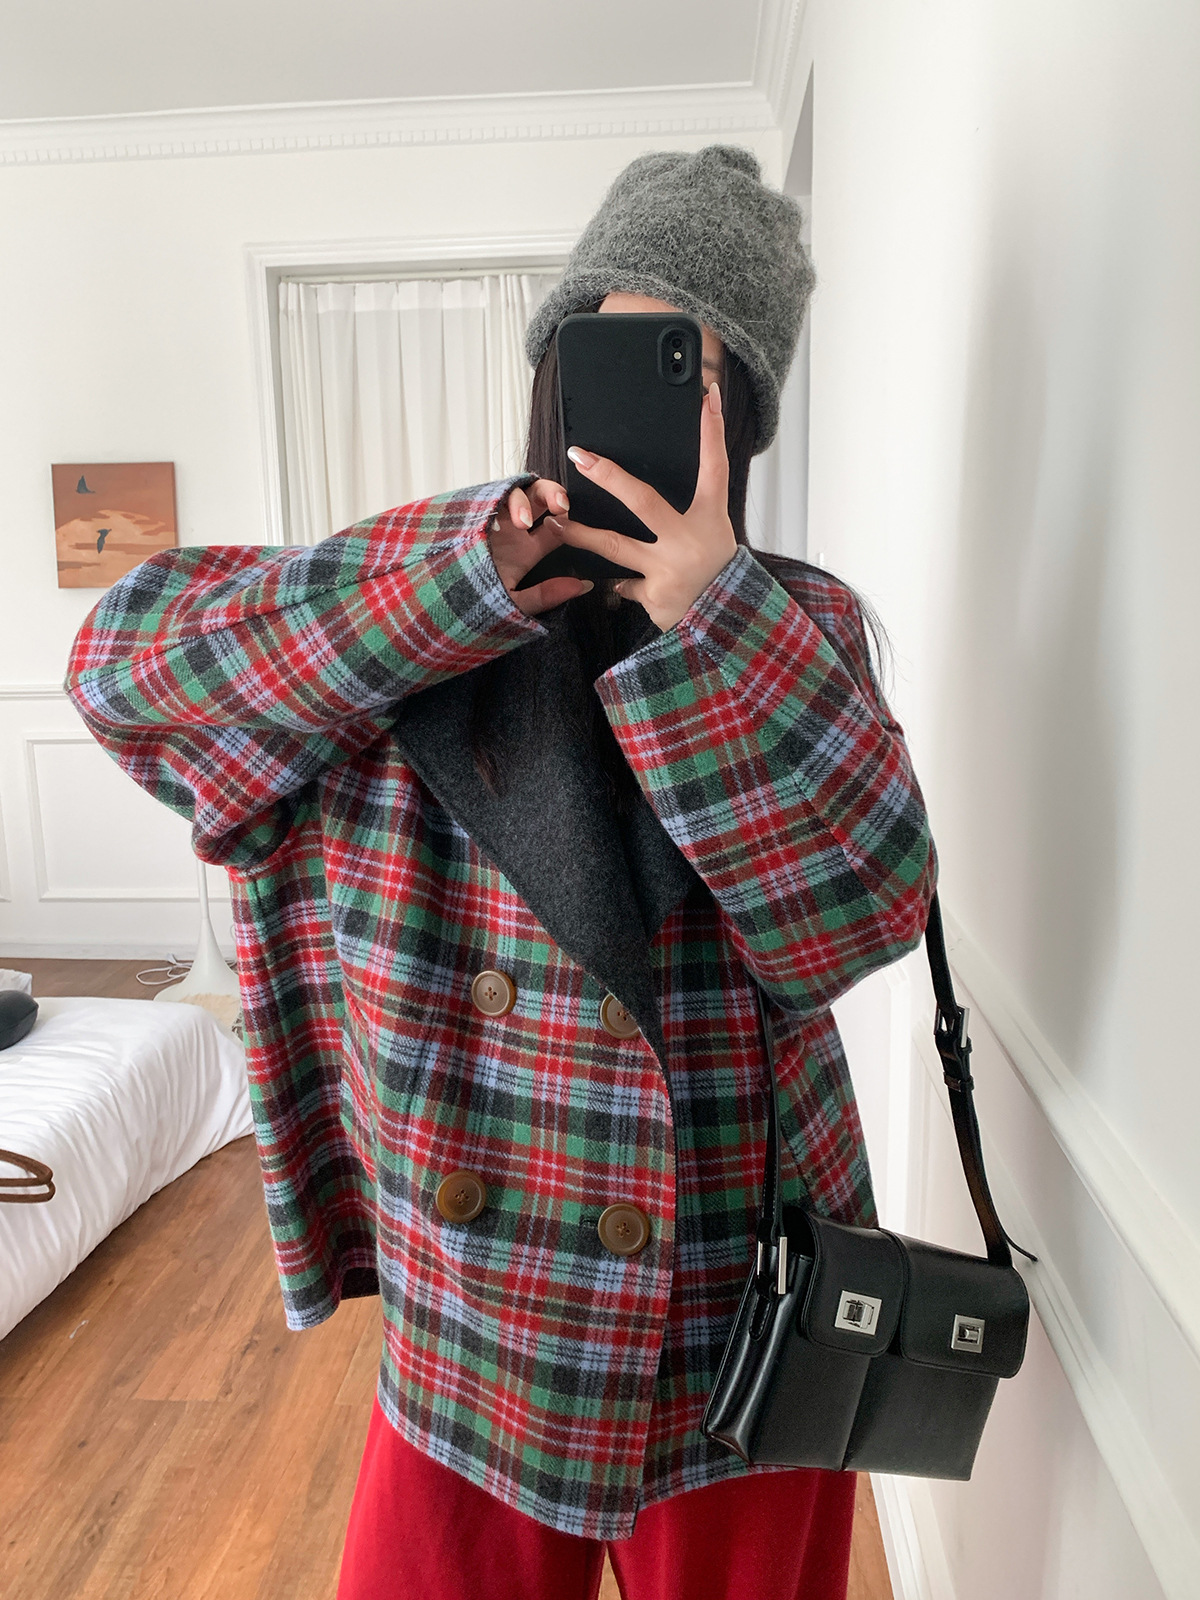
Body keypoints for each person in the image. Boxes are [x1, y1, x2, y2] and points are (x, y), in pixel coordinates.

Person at [64, 145, 936, 1600]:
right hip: (481, 1309)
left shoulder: (796, 625)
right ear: (550, 369)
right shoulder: (406, 608)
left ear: (742, 420)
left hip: (743, 1297)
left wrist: (712, 615)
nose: (638, 410)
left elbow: (859, 919)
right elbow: (124, 673)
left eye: (694, 374)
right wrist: (459, 579)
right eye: (605, 352)